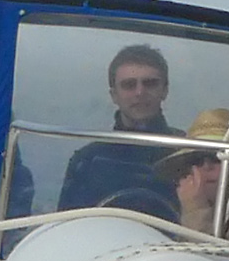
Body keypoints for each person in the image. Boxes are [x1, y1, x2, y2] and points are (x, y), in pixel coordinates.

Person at [56, 43, 178, 212]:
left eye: (150, 83)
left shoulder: (187, 157)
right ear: (114, 95)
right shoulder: (86, 162)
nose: (140, 92)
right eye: (129, 85)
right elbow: (67, 224)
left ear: (165, 90)